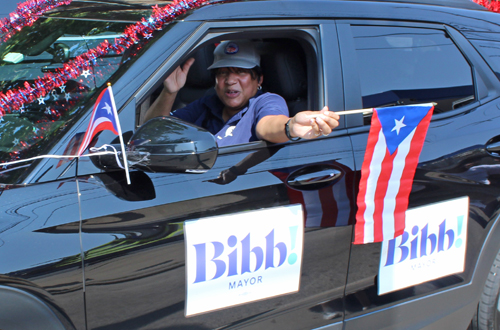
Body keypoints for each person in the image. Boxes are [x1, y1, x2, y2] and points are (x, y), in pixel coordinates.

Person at [144, 40, 340, 147]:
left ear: (259, 79)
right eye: (223, 73)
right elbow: (151, 131)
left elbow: (268, 125)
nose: (230, 80)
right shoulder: (207, 104)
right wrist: (170, 92)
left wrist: (291, 127)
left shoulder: (266, 102)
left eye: (241, 72)